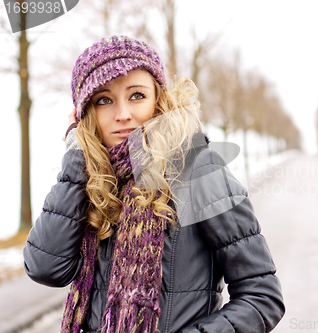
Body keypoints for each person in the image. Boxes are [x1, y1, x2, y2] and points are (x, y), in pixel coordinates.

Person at [23, 35, 285, 333]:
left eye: (137, 95)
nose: (123, 114)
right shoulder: (92, 180)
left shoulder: (197, 168)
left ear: (158, 100)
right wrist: (77, 156)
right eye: (104, 100)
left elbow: (261, 297)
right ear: (86, 114)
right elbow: (46, 267)